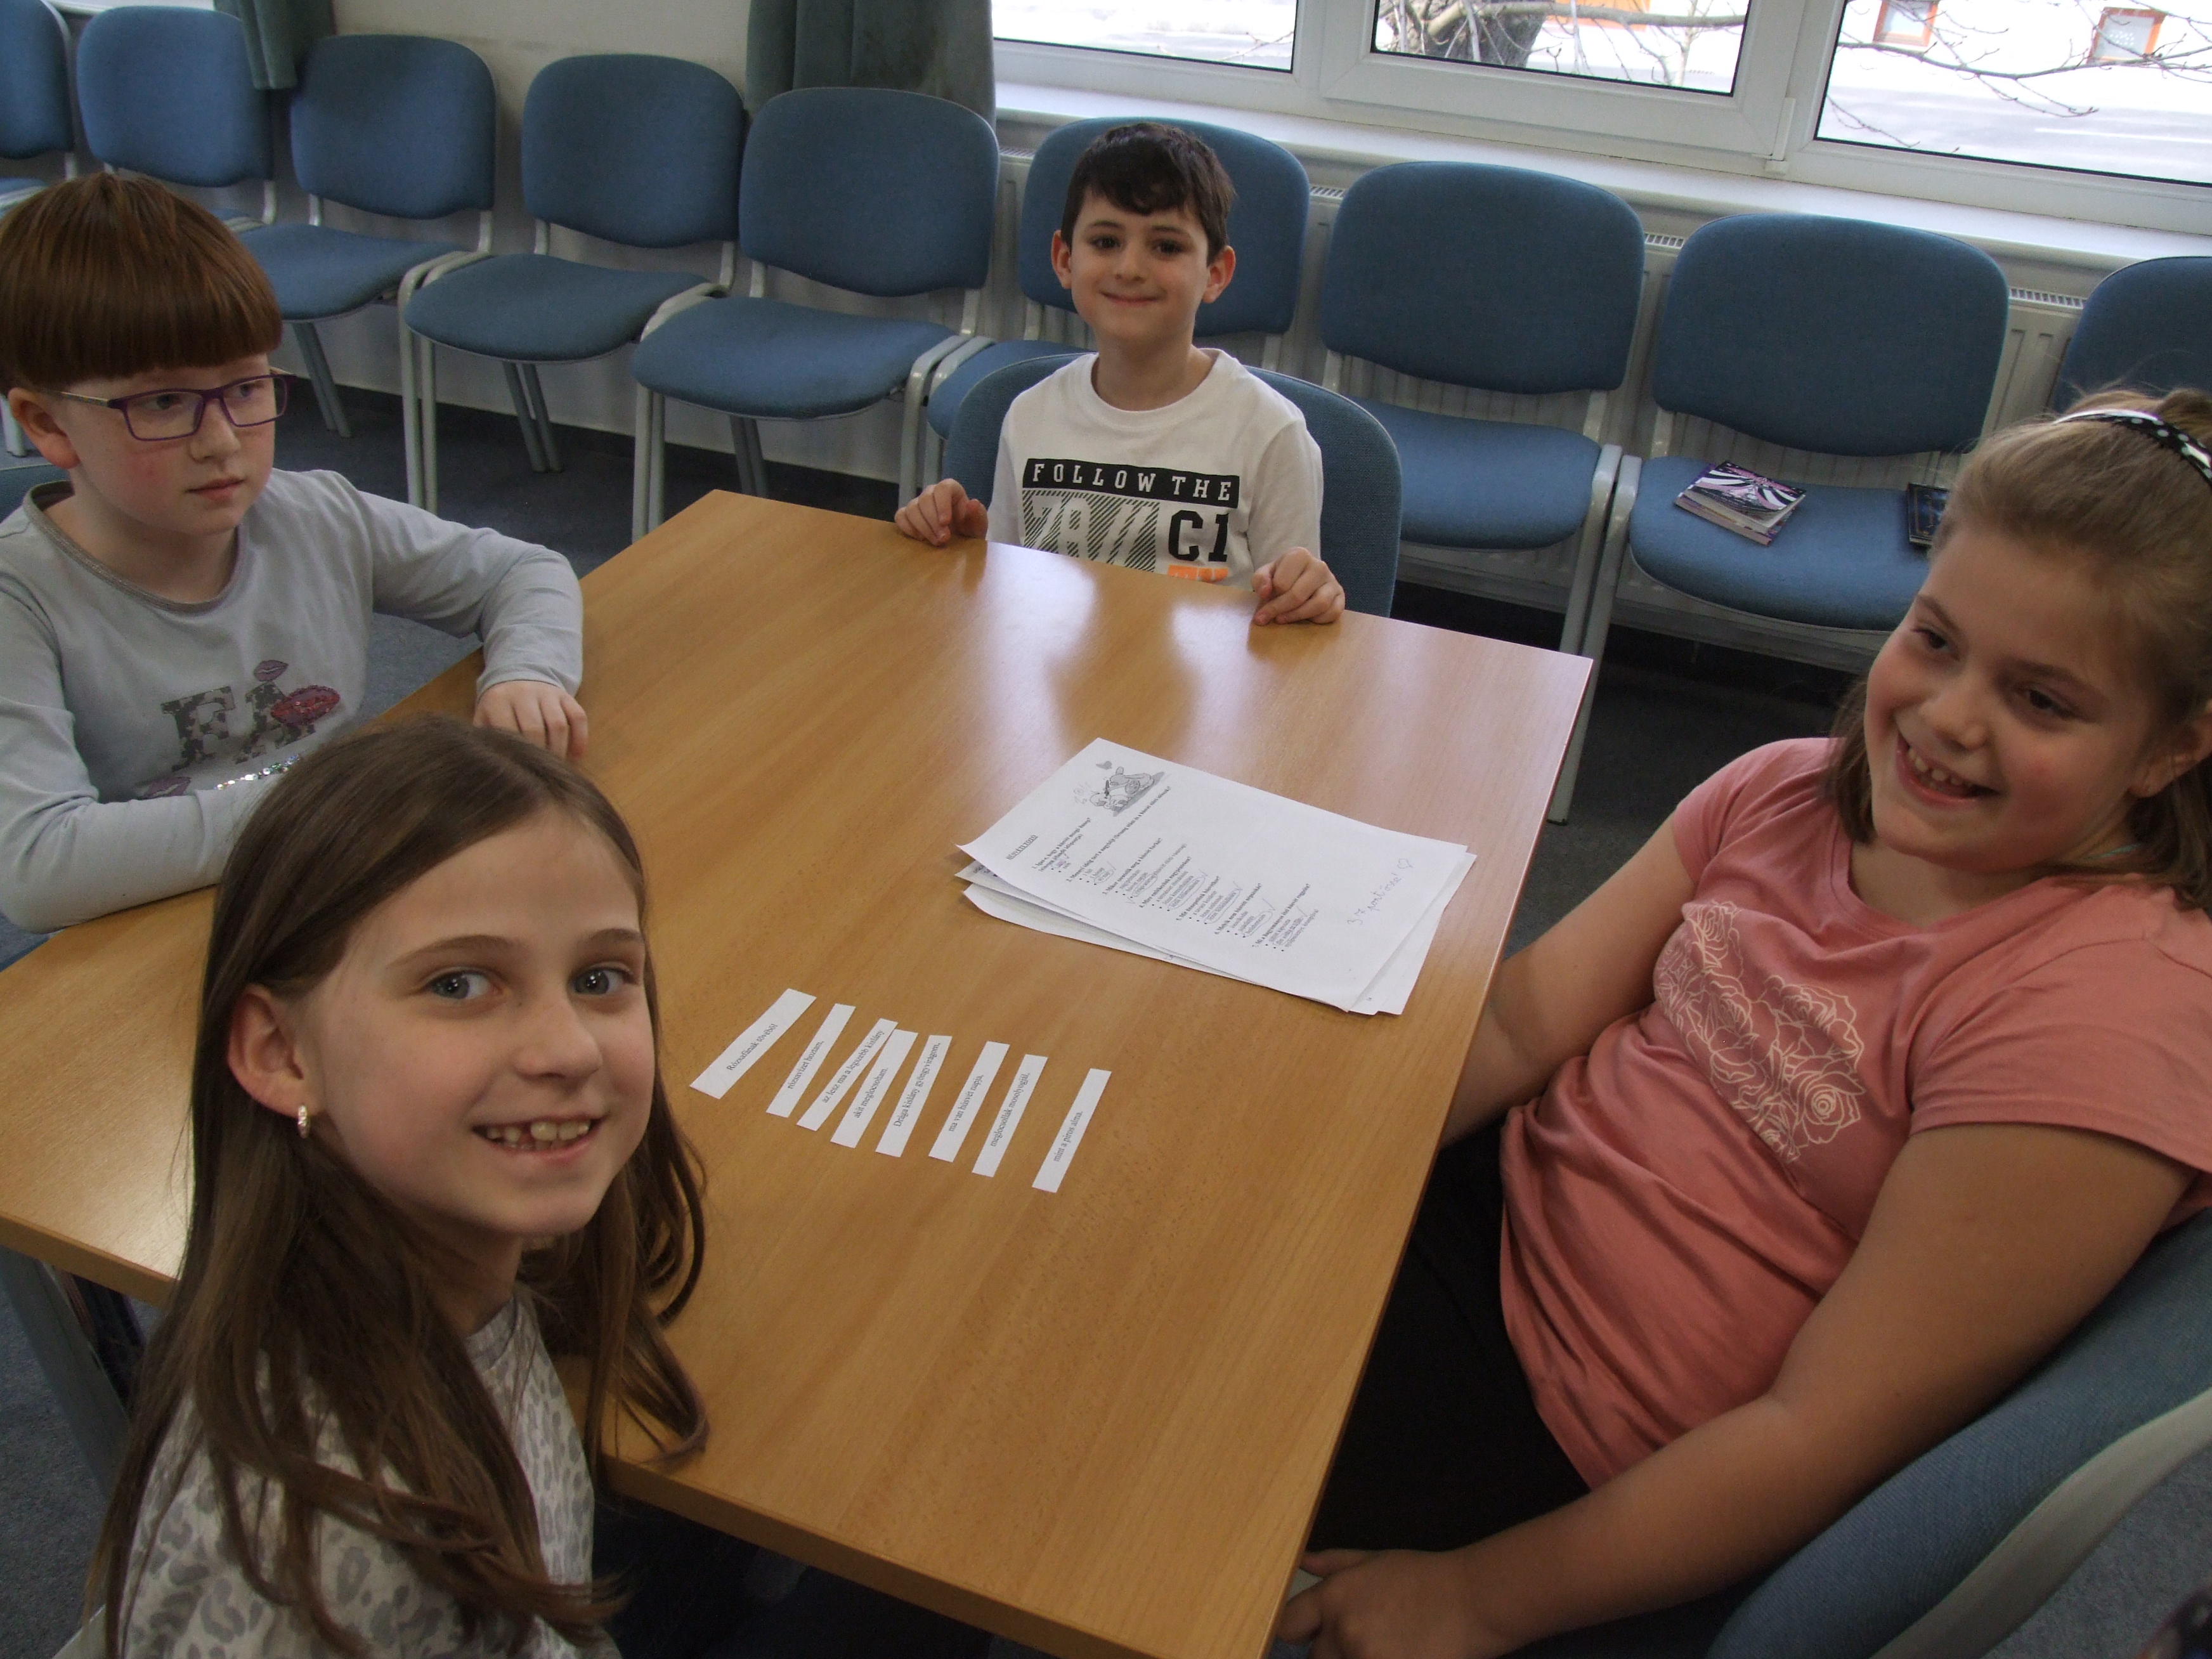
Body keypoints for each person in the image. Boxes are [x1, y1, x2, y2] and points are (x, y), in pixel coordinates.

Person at [1278, 391, 2212, 1658]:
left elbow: (1820, 1435)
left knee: (1101, 1444)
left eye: (2041, 700)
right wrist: (1312, 1164)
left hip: (1579, 1425)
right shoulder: (1783, 794)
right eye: (1934, 639)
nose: (1947, 716)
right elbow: (1517, 1022)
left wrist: (1475, 1598)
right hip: (1490, 1217)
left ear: (2170, 748)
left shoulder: (2103, 1013)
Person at [88, 717, 986, 1658]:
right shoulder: (335, 1554)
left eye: (598, 977)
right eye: (459, 985)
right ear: (281, 1052)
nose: (568, 1049)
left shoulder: (436, 1260)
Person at [0, 173, 587, 935]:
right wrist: (342, 803)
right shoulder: (22, 598)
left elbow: (522, 571)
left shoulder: (313, 515)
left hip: (336, 877)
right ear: (47, 424)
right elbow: (39, 866)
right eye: (164, 403)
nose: (222, 443)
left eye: (246, 389)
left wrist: (527, 675)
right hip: (155, 922)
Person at [894, 122, 1344, 627]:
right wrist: (962, 548)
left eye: (1166, 247)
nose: (1130, 268)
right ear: (1065, 260)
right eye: (1106, 241)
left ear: (1216, 273)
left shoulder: (1271, 433)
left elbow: (1289, 613)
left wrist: (1309, 592)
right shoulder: (1031, 416)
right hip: (1056, 669)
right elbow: (1009, 592)